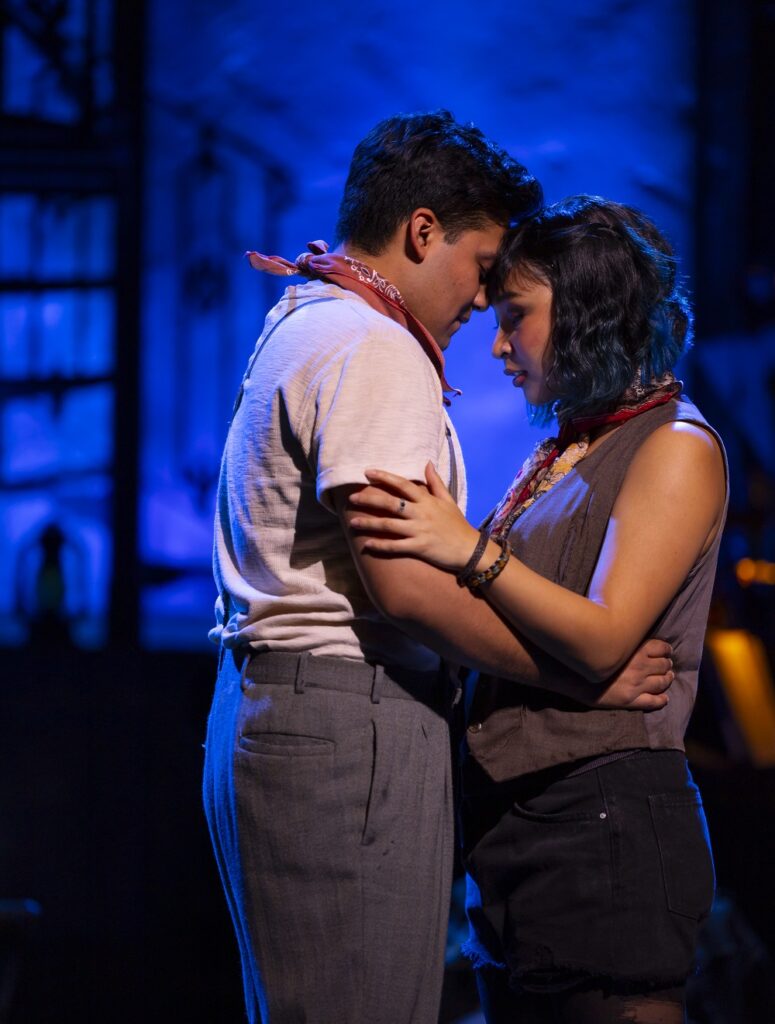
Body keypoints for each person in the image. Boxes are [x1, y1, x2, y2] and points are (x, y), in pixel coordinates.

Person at [203, 114, 675, 1024]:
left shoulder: (305, 316)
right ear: (422, 231)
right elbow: (407, 588)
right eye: (483, 266)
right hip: (346, 722)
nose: (482, 300)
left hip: (293, 709)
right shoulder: (371, 345)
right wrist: (582, 680)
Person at [348, 195, 728, 1023]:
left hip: (606, 822)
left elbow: (603, 640)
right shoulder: (568, 448)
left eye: (516, 316)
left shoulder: (675, 446)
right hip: (521, 824)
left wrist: (466, 549)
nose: (496, 343)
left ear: (590, 311)